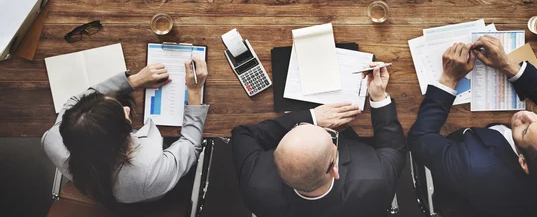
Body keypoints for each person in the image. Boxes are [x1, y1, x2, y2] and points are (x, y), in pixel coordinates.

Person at [408, 37, 537, 217]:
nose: (526, 114)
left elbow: (419, 138)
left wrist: (449, 79)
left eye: (525, 130)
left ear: (523, 162)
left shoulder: (474, 167)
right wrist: (509, 66)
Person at [231, 63, 406, 217]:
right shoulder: (376, 180)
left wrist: (312, 116)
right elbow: (393, 148)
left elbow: (243, 134)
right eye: (331, 136)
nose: (326, 127)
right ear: (334, 169)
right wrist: (379, 97)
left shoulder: (254, 184)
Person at [42, 59, 208, 206]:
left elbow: (76, 101)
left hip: (102, 191)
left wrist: (135, 80)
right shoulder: (149, 172)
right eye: (123, 114)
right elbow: (190, 144)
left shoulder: (53, 138)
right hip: (149, 194)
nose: (127, 108)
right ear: (122, 135)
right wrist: (194, 91)